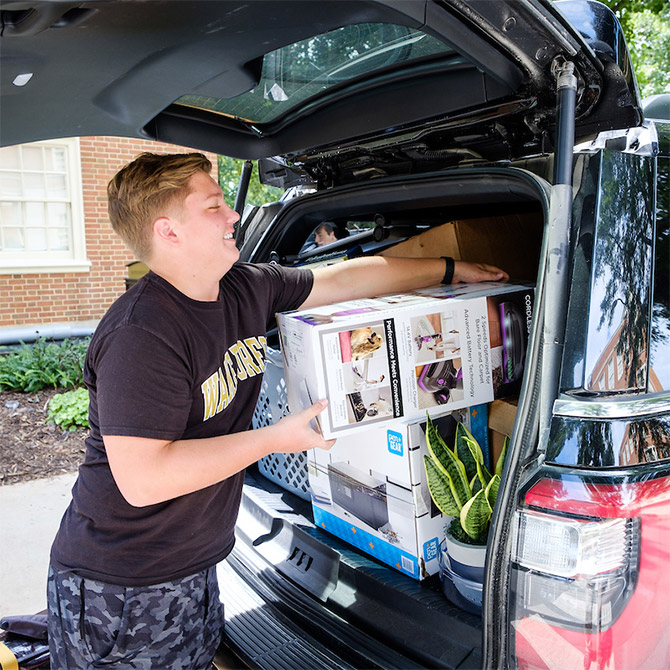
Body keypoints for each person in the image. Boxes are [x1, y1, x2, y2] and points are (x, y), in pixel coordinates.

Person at [46, 152, 509, 669]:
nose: (233, 216)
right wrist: (274, 438)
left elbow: (343, 279)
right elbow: (144, 479)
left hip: (191, 566)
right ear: (168, 231)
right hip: (123, 585)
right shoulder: (142, 334)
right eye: (214, 205)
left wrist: (451, 268)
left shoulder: (241, 288)